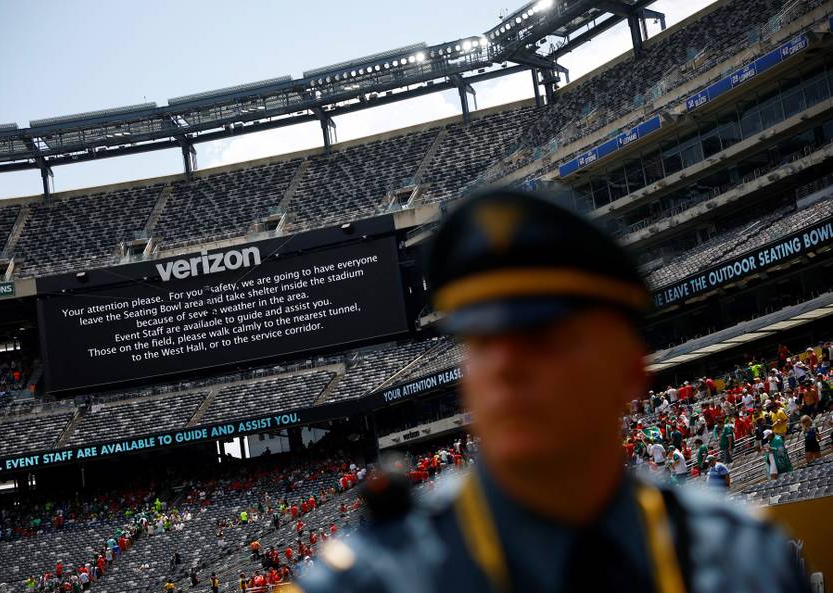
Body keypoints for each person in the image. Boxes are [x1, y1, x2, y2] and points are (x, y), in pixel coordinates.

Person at [295, 187, 810, 593]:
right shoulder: (369, 580)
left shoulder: (746, 559)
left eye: (542, 337)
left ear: (631, 371)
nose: (505, 365)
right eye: (482, 340)